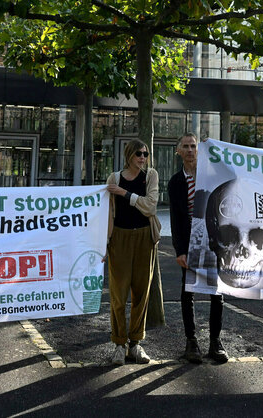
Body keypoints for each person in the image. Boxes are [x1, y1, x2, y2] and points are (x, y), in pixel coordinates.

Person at [168, 133, 228, 364]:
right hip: (189, 241)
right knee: (188, 293)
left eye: (194, 146)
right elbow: (175, 218)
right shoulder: (176, 182)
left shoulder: (211, 177)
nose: (191, 150)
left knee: (216, 293)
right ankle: (191, 342)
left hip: (214, 242)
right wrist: (180, 250)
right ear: (179, 152)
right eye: (186, 146)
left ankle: (215, 342)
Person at [106, 139, 160, 365]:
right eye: (139, 153)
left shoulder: (151, 176)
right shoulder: (114, 178)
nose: (143, 158)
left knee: (141, 293)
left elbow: (151, 206)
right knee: (118, 294)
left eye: (146, 154)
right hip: (119, 236)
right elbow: (108, 211)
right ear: (129, 155)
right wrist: (104, 242)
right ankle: (119, 344)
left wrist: (125, 194)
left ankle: (136, 344)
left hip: (144, 238)